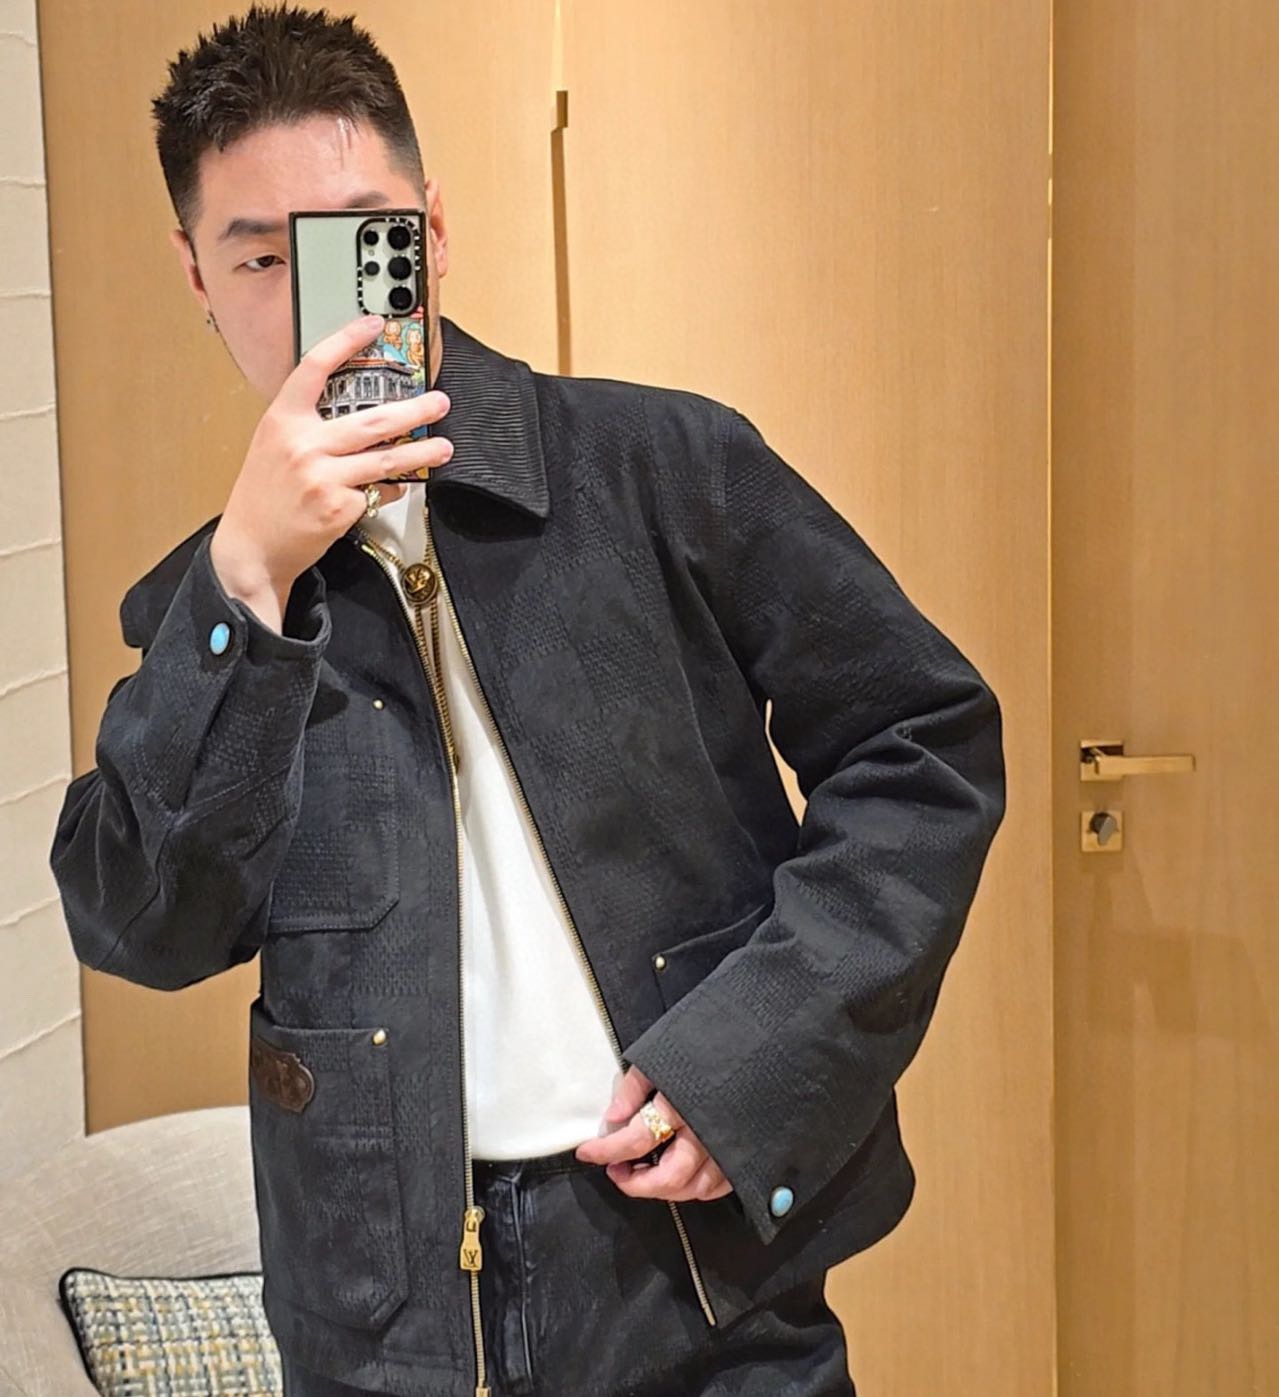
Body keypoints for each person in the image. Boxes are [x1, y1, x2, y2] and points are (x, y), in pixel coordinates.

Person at [48, 5, 1007, 1395]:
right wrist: (247, 577)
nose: (325, 310)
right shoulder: (214, 605)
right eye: (261, 258)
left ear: (432, 233)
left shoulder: (659, 467)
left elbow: (921, 744)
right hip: (378, 1316)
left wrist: (754, 1060)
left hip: (692, 1284)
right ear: (195, 275)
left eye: (359, 241)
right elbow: (143, 923)